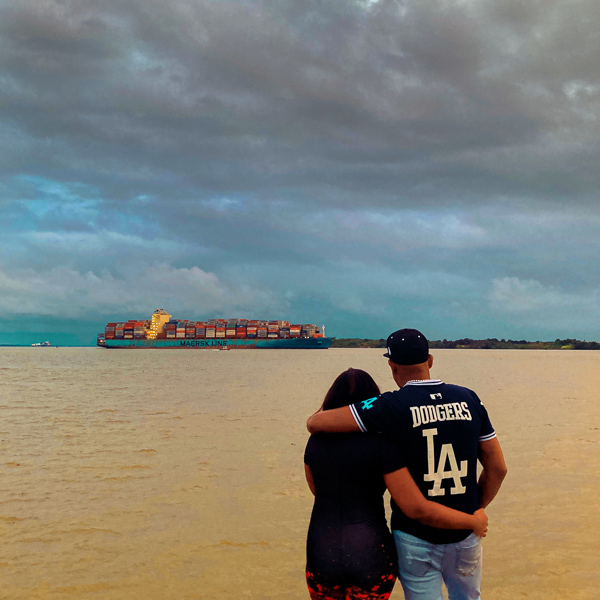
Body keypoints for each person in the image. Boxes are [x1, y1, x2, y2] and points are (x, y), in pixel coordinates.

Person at [307, 331, 507, 600]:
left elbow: (315, 423)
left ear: (391, 365)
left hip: (414, 538)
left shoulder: (390, 405)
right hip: (466, 533)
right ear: (431, 360)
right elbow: (497, 468)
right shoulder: (469, 398)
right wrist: (475, 511)